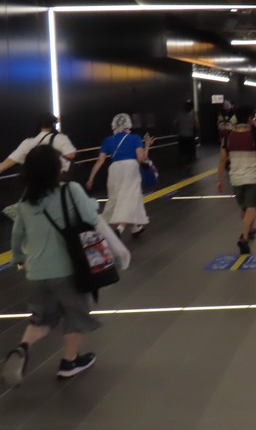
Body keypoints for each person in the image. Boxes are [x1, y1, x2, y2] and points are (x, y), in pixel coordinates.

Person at [3, 146, 103, 385]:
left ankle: (22, 348)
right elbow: (91, 217)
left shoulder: (26, 200)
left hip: (36, 272)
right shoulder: (70, 190)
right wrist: (91, 204)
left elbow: (17, 235)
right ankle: (69, 363)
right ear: (56, 167)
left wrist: (18, 258)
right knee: (74, 315)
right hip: (68, 270)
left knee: (42, 318)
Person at [87, 114, 154, 238]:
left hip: (114, 169)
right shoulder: (134, 138)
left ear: (113, 125)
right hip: (130, 168)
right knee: (130, 199)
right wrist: (147, 145)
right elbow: (141, 158)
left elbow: (100, 161)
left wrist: (91, 178)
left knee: (118, 198)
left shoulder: (107, 140)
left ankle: (135, 229)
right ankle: (119, 229)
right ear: (128, 125)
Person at [216, 105, 256, 255]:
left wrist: (219, 180)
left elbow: (222, 160)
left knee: (244, 207)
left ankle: (250, 230)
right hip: (253, 177)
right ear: (250, 118)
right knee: (251, 207)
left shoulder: (227, 137)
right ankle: (244, 238)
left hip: (236, 178)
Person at [0, 114, 77, 176]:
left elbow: (8, 162)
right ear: (53, 125)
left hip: (37, 179)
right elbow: (71, 155)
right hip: (56, 177)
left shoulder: (28, 142)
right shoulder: (60, 138)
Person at [175, 100, 199, 168]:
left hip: (182, 136)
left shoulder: (180, 114)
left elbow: (175, 124)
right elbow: (197, 126)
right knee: (189, 151)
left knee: (183, 151)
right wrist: (196, 134)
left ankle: (182, 163)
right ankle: (187, 164)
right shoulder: (194, 115)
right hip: (189, 137)